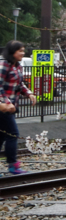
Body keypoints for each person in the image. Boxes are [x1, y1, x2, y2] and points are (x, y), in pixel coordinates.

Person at [1, 41, 37, 175]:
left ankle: (12, 165)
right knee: (13, 134)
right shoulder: (4, 65)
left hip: (11, 107)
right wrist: (6, 102)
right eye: (20, 51)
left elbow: (20, 84)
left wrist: (29, 93)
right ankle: (13, 165)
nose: (23, 53)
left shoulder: (18, 66)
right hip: (3, 107)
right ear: (12, 52)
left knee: (1, 136)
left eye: (23, 50)